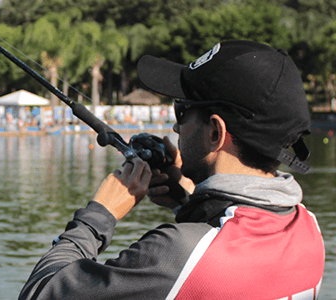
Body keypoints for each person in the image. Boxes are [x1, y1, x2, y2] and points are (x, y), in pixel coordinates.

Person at [18, 40, 325, 300]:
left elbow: (41, 292)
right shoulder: (309, 232)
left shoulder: (175, 253)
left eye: (183, 111)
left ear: (215, 133)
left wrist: (99, 215)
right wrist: (191, 201)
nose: (176, 126)